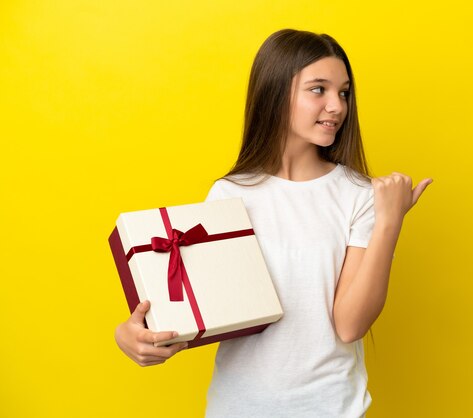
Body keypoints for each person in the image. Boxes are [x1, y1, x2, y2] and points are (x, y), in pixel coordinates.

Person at [115, 29, 432, 417]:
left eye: (344, 92)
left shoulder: (358, 194)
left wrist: (389, 223)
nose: (337, 106)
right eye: (319, 89)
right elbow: (199, 306)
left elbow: (349, 325)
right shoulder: (230, 194)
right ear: (275, 92)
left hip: (331, 409)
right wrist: (133, 333)